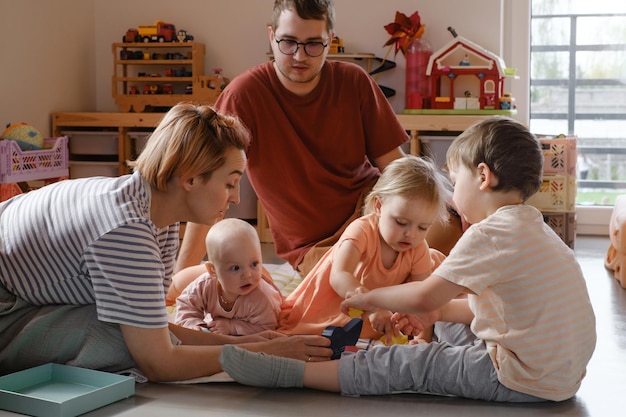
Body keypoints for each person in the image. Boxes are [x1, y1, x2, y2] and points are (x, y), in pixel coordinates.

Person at [217, 117, 597, 402]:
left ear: (482, 177)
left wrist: (369, 299)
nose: (452, 193)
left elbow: (422, 296)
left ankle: (294, 374)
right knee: (449, 326)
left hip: (522, 377)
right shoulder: (536, 228)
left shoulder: (488, 233)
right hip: (562, 374)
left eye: (454, 178)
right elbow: (490, 310)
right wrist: (437, 315)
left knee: (416, 365)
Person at [0, 102, 331, 381]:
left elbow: (155, 327)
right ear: (189, 178)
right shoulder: (127, 230)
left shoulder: (158, 215)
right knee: (120, 342)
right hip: (7, 305)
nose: (236, 198)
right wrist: (262, 352)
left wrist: (254, 341)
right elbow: (158, 361)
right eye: (230, 184)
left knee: (137, 332)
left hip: (22, 293)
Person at [175, 0, 414, 278]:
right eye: (288, 42)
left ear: (330, 41)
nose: (300, 56)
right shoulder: (243, 96)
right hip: (316, 246)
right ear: (271, 36)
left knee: (444, 232)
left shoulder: (354, 81)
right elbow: (211, 187)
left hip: (373, 208)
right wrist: (180, 278)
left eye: (313, 44)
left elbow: (395, 168)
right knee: (370, 274)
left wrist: (436, 204)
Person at [278, 155, 451, 342]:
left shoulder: (417, 247)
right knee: (318, 335)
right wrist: (372, 305)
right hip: (340, 304)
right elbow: (339, 275)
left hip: (378, 312)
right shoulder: (361, 230)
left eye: (423, 227)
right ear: (378, 206)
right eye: (401, 222)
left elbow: (422, 299)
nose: (411, 234)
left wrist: (422, 337)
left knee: (434, 264)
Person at [174, 218, 283, 335]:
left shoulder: (262, 299)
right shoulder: (205, 285)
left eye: (254, 264)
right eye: (235, 268)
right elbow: (186, 305)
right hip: (213, 277)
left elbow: (268, 328)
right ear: (213, 270)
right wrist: (192, 324)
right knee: (176, 284)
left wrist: (232, 327)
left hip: (262, 280)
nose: (247, 275)